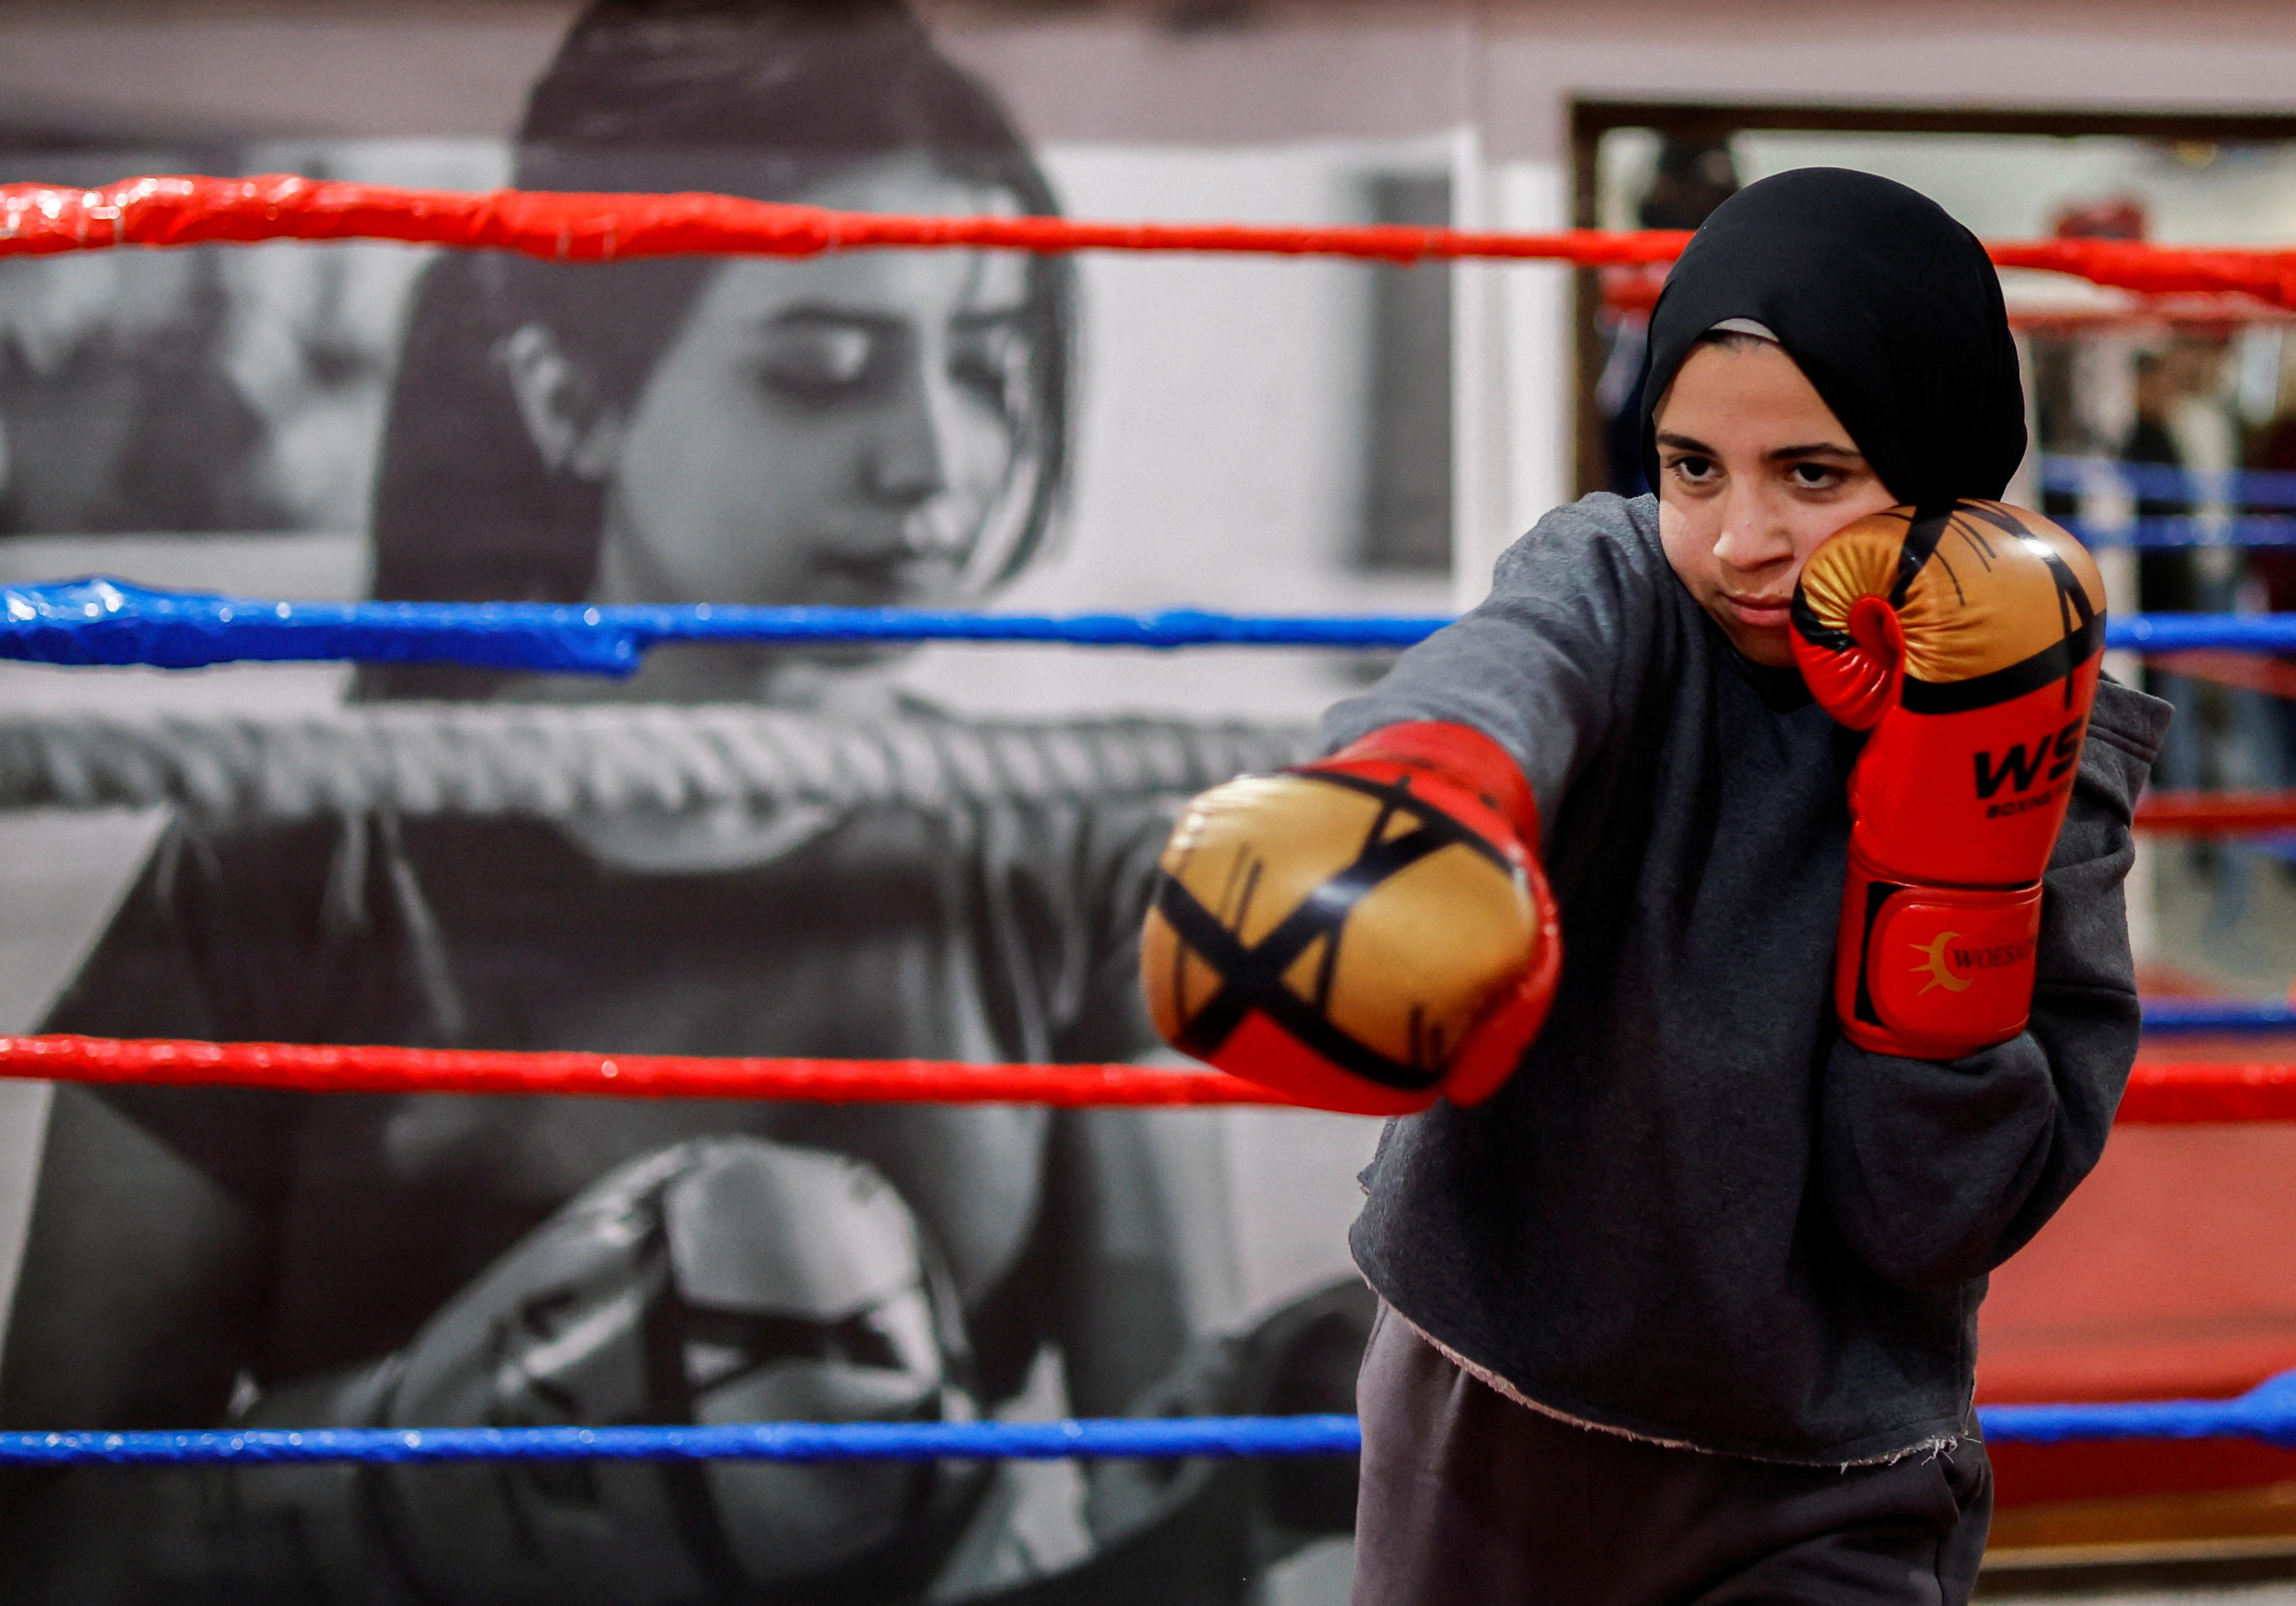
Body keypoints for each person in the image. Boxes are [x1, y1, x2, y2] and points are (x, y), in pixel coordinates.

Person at [0, 3, 1356, 1601]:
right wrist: (407, 1471)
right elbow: (51, 1526)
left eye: (986, 367)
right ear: (571, 399)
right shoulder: (296, 864)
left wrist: (1320, 1413)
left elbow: (1164, 1538)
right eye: (825, 372)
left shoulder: (1071, 859)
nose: (936, 462)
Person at [1145, 168, 2168, 1603]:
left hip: (1829, 1474)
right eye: (1695, 466)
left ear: (1947, 469)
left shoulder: (2050, 754)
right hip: (1484, 1408)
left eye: (1812, 475)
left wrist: (1955, 878)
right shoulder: (1627, 585)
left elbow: (1927, 1218)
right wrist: (1426, 786)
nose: (1739, 540)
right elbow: (1518, 660)